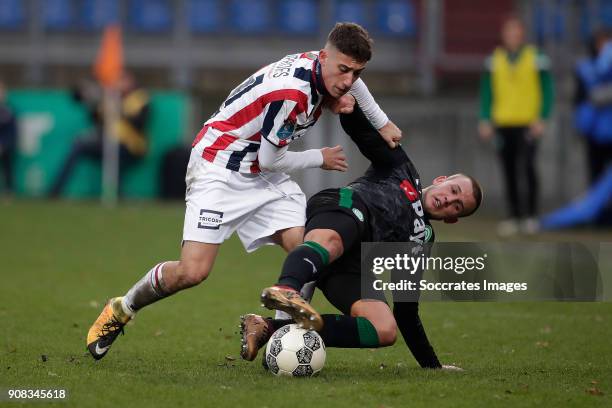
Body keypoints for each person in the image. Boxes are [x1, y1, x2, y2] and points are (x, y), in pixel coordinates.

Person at [86, 22, 402, 360]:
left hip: (259, 171)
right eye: (343, 71)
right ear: (324, 57)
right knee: (192, 272)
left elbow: (353, 85)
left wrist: (380, 121)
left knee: (308, 249)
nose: (349, 81)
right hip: (219, 169)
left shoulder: (321, 67)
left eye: (356, 73)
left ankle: (277, 337)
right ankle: (122, 308)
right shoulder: (292, 93)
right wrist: (318, 158)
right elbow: (270, 159)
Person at [240, 102, 482, 370]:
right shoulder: (403, 168)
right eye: (454, 190)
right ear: (442, 179)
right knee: (333, 240)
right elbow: (362, 132)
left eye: (457, 205)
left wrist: (432, 367)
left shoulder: (421, 240)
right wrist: (348, 106)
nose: (449, 199)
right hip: (345, 208)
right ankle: (287, 289)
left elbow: (406, 309)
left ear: (452, 218)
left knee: (384, 329)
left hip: (352, 264)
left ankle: (268, 327)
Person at [478, 16, 553, 236]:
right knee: (508, 169)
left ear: (522, 34)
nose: (512, 37)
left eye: (516, 32)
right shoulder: (494, 59)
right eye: (508, 32)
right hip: (503, 122)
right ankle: (513, 216)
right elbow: (486, 92)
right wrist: (485, 118)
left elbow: (547, 90)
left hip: (528, 123)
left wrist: (542, 117)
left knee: (528, 167)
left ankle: (531, 215)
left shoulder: (536, 57)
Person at [49, 71, 150, 197]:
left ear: (130, 81)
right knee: (78, 146)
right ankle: (55, 190)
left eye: (121, 80)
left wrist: (117, 109)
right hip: (108, 144)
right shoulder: (109, 99)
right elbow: (97, 121)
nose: (119, 84)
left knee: (114, 157)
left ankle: (119, 194)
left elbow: (140, 123)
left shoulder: (139, 98)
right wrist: (92, 103)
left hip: (131, 147)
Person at [574, 29, 612, 185]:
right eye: (601, 43)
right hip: (594, 130)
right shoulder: (585, 68)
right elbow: (582, 98)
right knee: (595, 175)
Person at [0, 81, 17, 195]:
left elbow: (11, 133)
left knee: (7, 159)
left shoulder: (8, 111)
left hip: (4, 146)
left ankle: (9, 190)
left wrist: (2, 145)